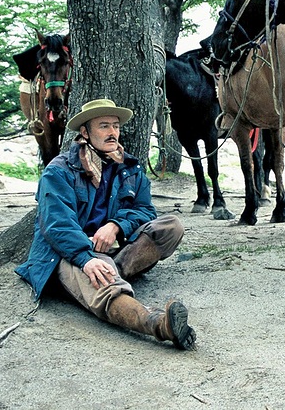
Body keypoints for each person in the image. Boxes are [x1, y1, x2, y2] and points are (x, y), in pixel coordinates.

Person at [15, 98, 196, 350]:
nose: (112, 133)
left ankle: (112, 273)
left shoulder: (129, 168)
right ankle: (159, 324)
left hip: (114, 250)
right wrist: (86, 258)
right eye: (103, 126)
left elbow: (145, 211)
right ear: (85, 132)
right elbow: (56, 225)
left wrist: (116, 226)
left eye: (115, 126)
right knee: (102, 278)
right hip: (70, 253)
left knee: (170, 226)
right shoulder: (59, 171)